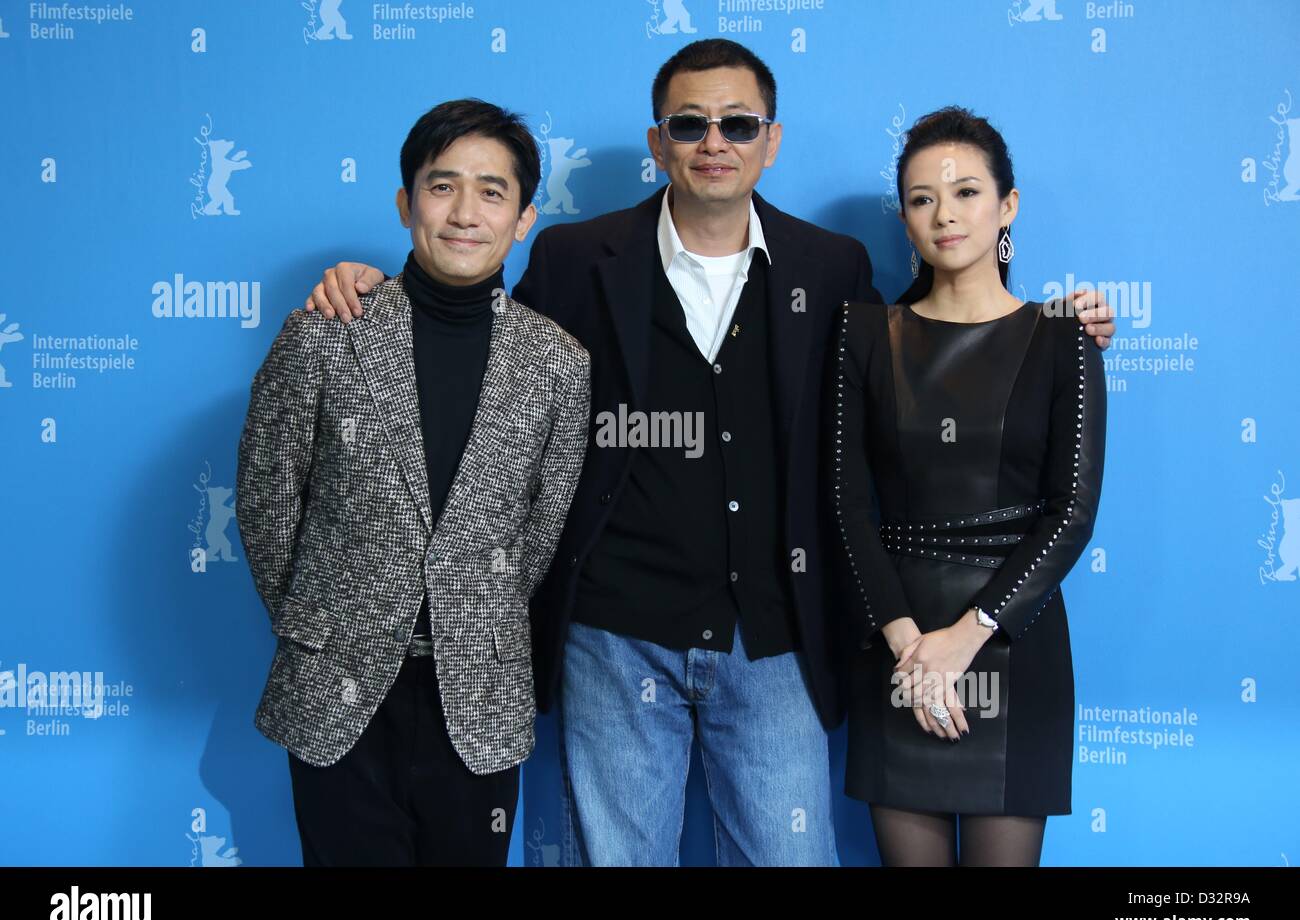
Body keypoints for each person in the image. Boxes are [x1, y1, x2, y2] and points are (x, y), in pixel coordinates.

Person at [302, 41, 1116, 866]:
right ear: (659, 144)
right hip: (613, 633)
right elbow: (474, 341)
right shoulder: (576, 259)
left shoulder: (831, 267)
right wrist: (376, 290)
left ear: (772, 139)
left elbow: (916, 342)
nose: (714, 141)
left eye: (738, 122)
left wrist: (1042, 327)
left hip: (774, 635)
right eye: (689, 124)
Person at [236, 98, 590, 866]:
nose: (466, 213)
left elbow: (539, 535)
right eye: (442, 186)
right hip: (338, 688)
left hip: (480, 697)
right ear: (405, 203)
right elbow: (267, 505)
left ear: (524, 217)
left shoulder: (559, 363)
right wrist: (324, 620)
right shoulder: (326, 332)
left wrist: (474, 613)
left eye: (493, 192)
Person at [832, 106, 1105, 866]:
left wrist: (968, 636)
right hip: (899, 646)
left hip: (1015, 644)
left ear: (1007, 206)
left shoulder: (1065, 337)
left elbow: (1071, 511)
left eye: (967, 193)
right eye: (922, 198)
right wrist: (911, 650)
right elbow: (848, 505)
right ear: (906, 217)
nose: (944, 214)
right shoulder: (863, 334)